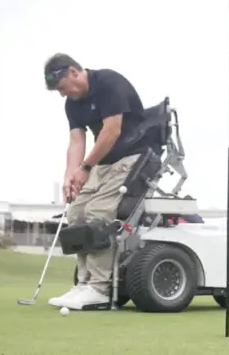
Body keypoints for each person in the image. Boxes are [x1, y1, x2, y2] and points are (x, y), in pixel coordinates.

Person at [42, 53, 150, 309]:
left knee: (97, 213)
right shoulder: (72, 104)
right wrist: (71, 175)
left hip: (133, 156)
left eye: (62, 87)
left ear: (73, 72)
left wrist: (86, 167)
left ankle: (99, 288)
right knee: (77, 211)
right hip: (102, 162)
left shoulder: (108, 84)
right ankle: (83, 283)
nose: (61, 94)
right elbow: (77, 141)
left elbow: (112, 131)